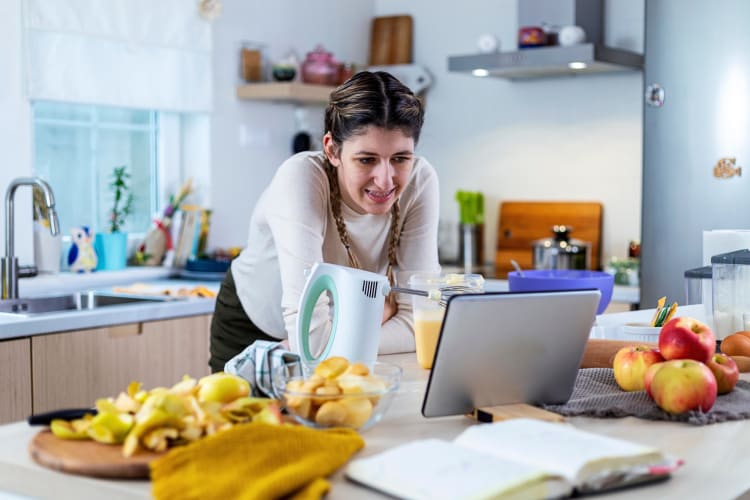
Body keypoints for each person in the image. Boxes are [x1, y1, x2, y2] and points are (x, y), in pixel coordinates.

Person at [209, 71, 440, 372]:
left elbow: (419, 326)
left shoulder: (420, 181)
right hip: (254, 330)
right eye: (366, 159)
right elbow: (312, 343)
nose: (385, 180)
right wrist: (321, 343)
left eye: (400, 158)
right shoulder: (301, 178)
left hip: (343, 330)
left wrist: (330, 343)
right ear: (332, 149)